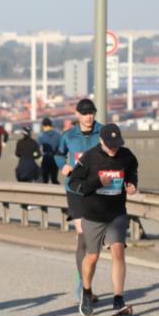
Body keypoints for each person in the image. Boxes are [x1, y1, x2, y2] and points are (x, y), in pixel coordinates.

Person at [67, 123, 138, 316]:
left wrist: (132, 184)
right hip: (93, 215)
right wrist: (97, 182)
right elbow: (74, 183)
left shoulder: (126, 155)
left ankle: (118, 299)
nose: (114, 149)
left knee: (118, 252)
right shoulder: (89, 157)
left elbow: (132, 171)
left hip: (117, 213)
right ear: (101, 141)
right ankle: (86, 291)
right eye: (110, 145)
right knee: (92, 257)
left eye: (117, 145)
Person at [56, 98, 103, 300]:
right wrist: (63, 166)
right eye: (84, 113)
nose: (88, 117)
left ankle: (87, 283)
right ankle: (82, 288)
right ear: (77, 115)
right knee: (83, 235)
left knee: (93, 242)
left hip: (97, 190)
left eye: (91, 113)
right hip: (75, 190)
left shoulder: (102, 132)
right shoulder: (68, 136)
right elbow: (58, 154)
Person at [38, 117, 61, 184]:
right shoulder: (58, 135)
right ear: (51, 125)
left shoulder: (41, 135)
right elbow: (61, 147)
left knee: (45, 179)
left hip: (46, 158)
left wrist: (40, 156)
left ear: (43, 125)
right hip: (55, 158)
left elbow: (37, 147)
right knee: (54, 179)